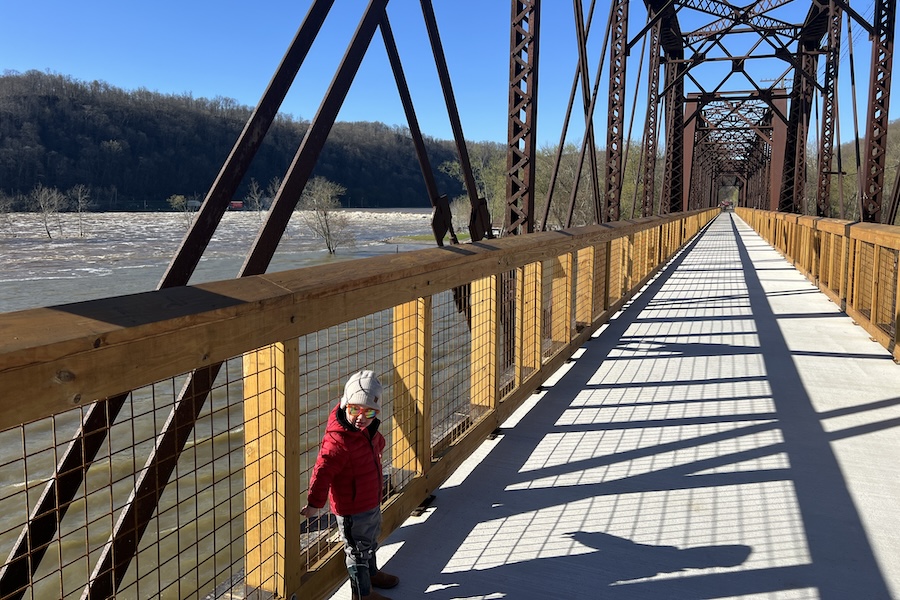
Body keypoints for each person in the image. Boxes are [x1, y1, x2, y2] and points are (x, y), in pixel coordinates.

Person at [301, 370, 400, 600]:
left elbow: (377, 442)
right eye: (355, 409)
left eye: (370, 412)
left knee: (370, 541)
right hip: (351, 509)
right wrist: (314, 504)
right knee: (357, 552)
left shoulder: (367, 429)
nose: (360, 417)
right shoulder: (338, 441)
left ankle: (371, 575)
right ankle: (362, 594)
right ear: (345, 404)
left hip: (370, 501)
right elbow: (321, 472)